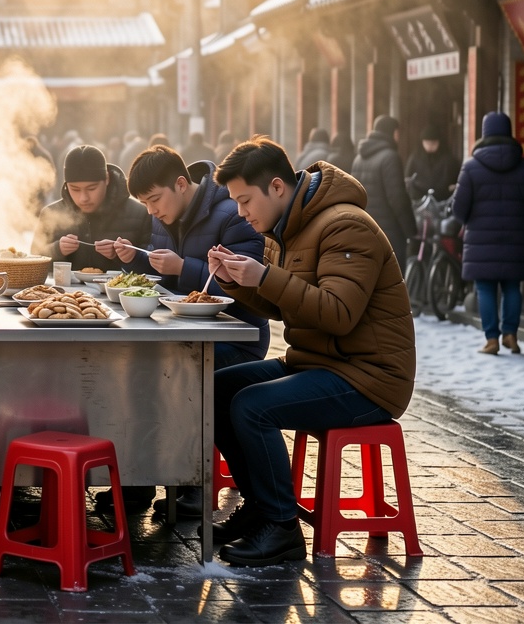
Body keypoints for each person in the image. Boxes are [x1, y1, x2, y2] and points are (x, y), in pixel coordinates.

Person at [203, 139, 415, 566]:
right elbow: (287, 305)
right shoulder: (284, 228)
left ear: (276, 187)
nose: (241, 213)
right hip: (318, 363)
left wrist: (265, 277)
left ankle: (281, 528)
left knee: (251, 406)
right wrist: (235, 280)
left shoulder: (345, 225)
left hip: (367, 377)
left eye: (245, 200)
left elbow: (338, 313)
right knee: (214, 390)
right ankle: (261, 507)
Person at [113, 145, 270, 517]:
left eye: (154, 200)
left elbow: (248, 289)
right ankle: (138, 481)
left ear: (181, 184)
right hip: (185, 332)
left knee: (176, 378)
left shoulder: (232, 214)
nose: (151, 211)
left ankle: (194, 485)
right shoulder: (163, 217)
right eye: (145, 204)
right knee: (130, 369)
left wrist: (184, 267)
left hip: (236, 337)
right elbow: (166, 276)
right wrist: (138, 257)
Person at [452, 112, 524, 355]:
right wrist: (519, 219)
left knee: (484, 288)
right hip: (517, 239)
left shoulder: (470, 167)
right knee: (513, 286)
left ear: (484, 134)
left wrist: (471, 220)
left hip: (480, 240)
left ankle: (491, 338)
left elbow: (458, 208)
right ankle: (511, 334)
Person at [32, 145, 150, 272]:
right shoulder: (51, 214)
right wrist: (57, 249)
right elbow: (33, 259)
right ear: (66, 185)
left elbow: (153, 270)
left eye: (91, 188)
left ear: (107, 179)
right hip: (64, 286)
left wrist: (128, 257)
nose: (83, 198)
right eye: (75, 189)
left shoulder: (140, 213)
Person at [350, 116, 415, 267]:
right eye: (397, 132)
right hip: (388, 235)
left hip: (364, 231)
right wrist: (411, 231)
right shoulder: (390, 157)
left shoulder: (358, 159)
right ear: (392, 132)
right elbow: (398, 199)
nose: (398, 137)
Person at [406, 124, 460, 200]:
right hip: (419, 199)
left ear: (439, 142)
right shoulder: (414, 158)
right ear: (422, 142)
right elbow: (408, 178)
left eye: (433, 143)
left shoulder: (449, 159)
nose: (430, 146)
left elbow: (456, 181)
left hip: (443, 199)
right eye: (427, 143)